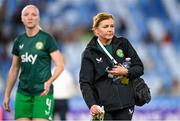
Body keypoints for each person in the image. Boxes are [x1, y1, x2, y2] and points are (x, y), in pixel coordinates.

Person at [3, 5, 64, 121]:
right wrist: (7, 94)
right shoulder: (19, 41)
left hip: (42, 94)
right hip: (23, 93)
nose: (30, 17)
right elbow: (14, 69)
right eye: (26, 15)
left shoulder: (47, 39)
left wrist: (49, 81)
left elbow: (60, 65)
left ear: (38, 18)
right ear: (21, 18)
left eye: (34, 14)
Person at [79, 12, 144, 120]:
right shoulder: (89, 53)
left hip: (126, 103)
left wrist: (126, 72)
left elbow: (139, 68)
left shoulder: (123, 44)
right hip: (103, 107)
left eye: (112, 26)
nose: (110, 29)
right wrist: (92, 104)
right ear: (96, 31)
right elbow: (85, 83)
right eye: (105, 26)